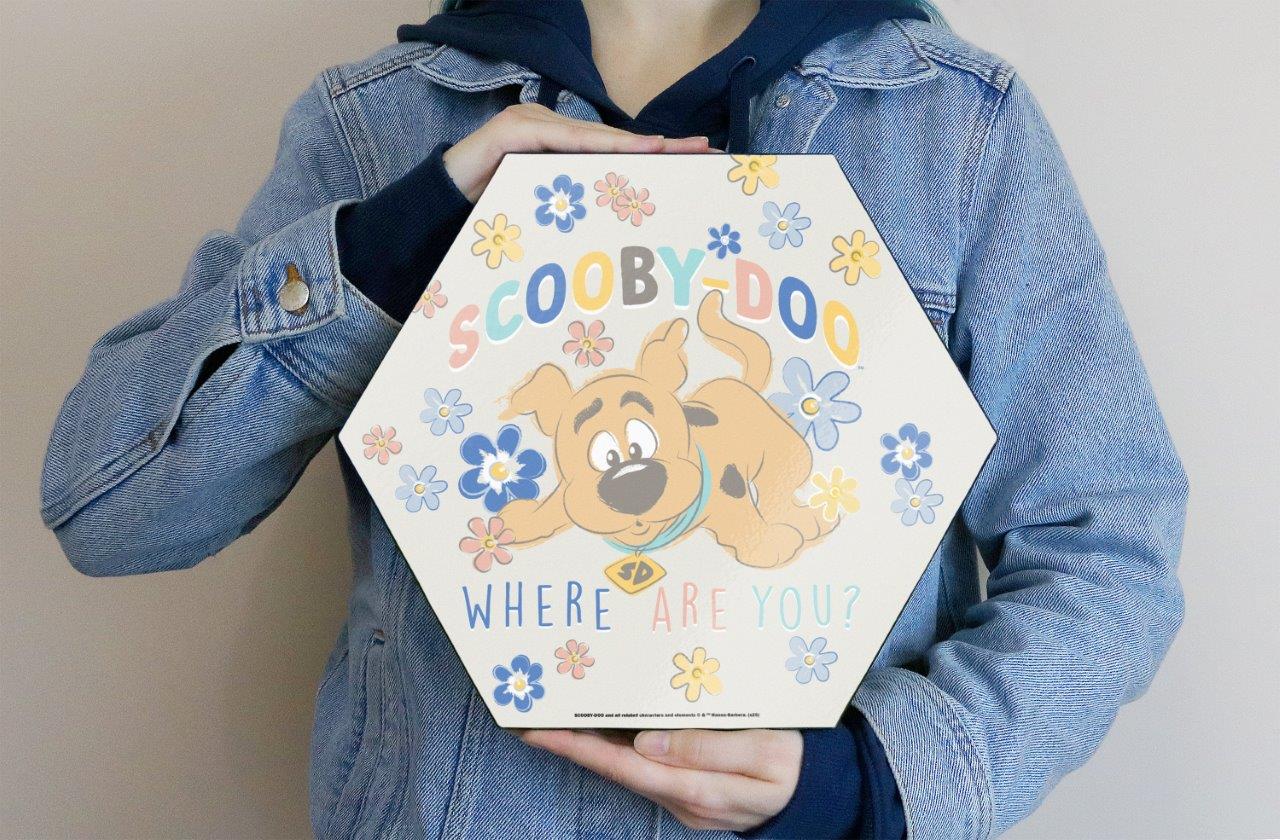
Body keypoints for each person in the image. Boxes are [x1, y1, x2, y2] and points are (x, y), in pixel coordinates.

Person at [40, 1, 1188, 837]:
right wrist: (398, 237)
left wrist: (867, 785)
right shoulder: (379, 121)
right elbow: (110, 515)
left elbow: (1106, 551)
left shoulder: (951, 125)